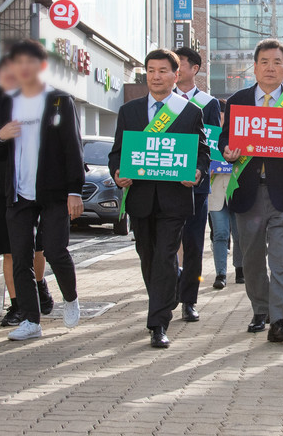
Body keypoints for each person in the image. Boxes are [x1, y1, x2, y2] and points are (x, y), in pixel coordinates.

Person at [108, 49, 210, 348]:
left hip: (174, 198)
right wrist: (117, 172)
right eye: (151, 70)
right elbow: (118, 152)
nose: (156, 76)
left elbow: (202, 153)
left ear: (175, 76)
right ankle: (166, 295)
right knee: (148, 257)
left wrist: (197, 172)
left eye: (163, 71)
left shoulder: (190, 111)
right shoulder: (130, 111)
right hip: (140, 197)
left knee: (166, 256)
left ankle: (158, 322)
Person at [220, 39, 283, 343]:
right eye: (264, 62)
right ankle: (260, 308)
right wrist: (228, 152)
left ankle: (280, 319)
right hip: (248, 193)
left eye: (277, 62)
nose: (271, 68)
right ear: (255, 67)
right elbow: (224, 141)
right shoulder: (237, 101)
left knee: (282, 259)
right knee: (250, 259)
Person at [0, 40, 84, 341]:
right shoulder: (6, 103)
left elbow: (73, 147)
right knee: (21, 258)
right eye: (18, 62)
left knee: (56, 251)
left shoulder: (59, 100)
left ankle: (70, 298)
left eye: (30, 62)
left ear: (42, 66)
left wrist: (75, 190)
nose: (24, 68)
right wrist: (0, 137)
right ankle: (31, 320)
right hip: (17, 194)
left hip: (53, 192)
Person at [0, 58, 54, 327]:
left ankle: (39, 285)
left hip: (38, 188)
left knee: (37, 247)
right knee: (9, 250)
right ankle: (18, 304)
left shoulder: (50, 106)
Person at [172, 47, 222, 322]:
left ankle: (189, 300)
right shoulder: (161, 103)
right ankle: (171, 288)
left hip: (195, 185)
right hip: (164, 184)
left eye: (181, 65)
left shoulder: (208, 103)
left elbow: (212, 145)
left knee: (193, 245)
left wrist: (202, 172)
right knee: (164, 244)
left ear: (195, 69)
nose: (177, 70)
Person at [209, 168, 243, 288]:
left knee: (239, 234)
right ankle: (220, 274)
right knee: (220, 233)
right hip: (215, 190)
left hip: (238, 189)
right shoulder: (208, 148)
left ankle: (240, 268)